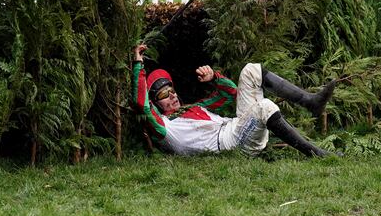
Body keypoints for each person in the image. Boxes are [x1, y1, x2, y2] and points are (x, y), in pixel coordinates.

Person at [131, 44, 337, 157]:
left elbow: (231, 94)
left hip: (237, 127)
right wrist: (138, 64)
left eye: (172, 90)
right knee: (265, 107)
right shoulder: (164, 127)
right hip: (232, 144)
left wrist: (215, 78)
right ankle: (316, 153)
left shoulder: (193, 108)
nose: (172, 95)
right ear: (155, 103)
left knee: (251, 70)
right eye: (163, 95)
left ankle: (311, 102)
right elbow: (141, 103)